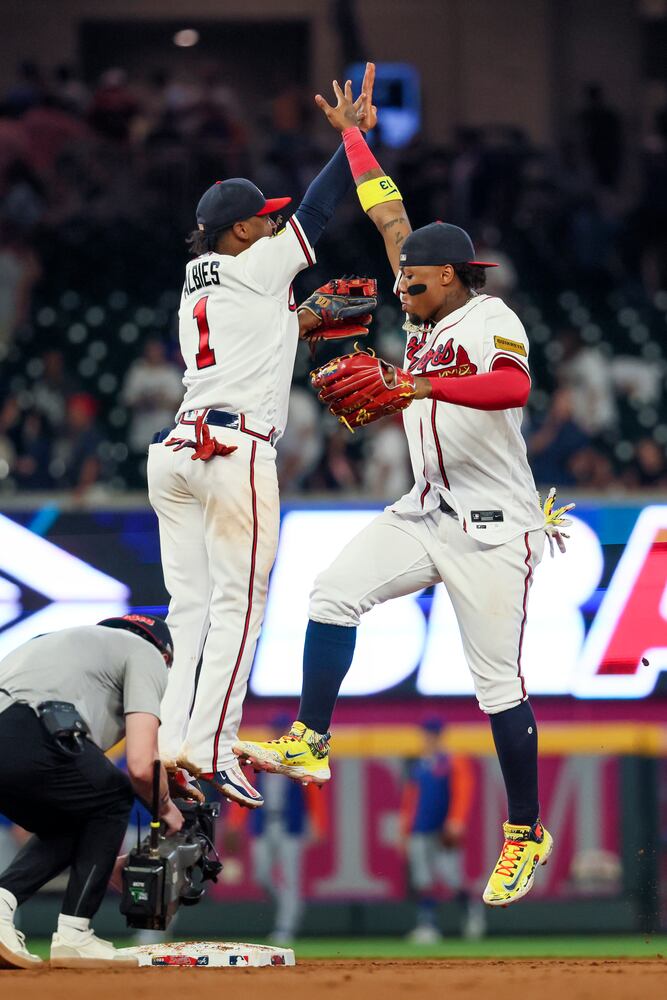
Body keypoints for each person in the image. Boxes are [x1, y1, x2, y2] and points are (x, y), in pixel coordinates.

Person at [234, 65, 572, 907]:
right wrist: (354, 137)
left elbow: (512, 387)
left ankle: (524, 832)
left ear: (452, 276)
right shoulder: (420, 292)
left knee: (497, 687)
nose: (402, 285)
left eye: (415, 277)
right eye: (403, 275)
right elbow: (388, 215)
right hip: (424, 509)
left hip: (494, 528)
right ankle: (310, 739)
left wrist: (418, 384)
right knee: (329, 593)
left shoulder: (490, 319)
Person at [148, 78, 370, 809]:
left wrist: (295, 321)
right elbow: (320, 208)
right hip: (231, 451)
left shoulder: (199, 279)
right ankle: (212, 750)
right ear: (240, 231)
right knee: (241, 605)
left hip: (177, 451)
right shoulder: (259, 263)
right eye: (265, 220)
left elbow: (255, 331)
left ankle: (175, 742)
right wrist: (351, 138)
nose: (277, 227)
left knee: (188, 610)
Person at [0, 614, 183, 969]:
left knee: (74, 819)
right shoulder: (145, 653)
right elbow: (141, 766)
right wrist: (165, 807)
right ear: (165, 656)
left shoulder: (59, 643)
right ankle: (75, 935)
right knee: (115, 796)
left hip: (16, 738)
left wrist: (98, 855)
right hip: (30, 729)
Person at [225, 714, 326, 944]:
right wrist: (234, 823)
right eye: (276, 730)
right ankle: (289, 906)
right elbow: (245, 789)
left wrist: (318, 823)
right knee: (261, 874)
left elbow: (313, 792)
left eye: (282, 730)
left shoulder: (299, 759)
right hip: (263, 823)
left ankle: (286, 926)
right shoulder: (260, 756)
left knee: (291, 878)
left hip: (290, 824)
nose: (278, 733)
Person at [401, 719, 483, 942]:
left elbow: (463, 791)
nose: (426, 738)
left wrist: (457, 820)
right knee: (422, 878)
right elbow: (410, 799)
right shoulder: (419, 764)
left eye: (430, 734)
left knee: (451, 877)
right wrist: (405, 829)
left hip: (443, 829)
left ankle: (471, 911)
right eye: (425, 734)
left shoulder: (451, 760)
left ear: (439, 736)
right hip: (420, 828)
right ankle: (427, 925)